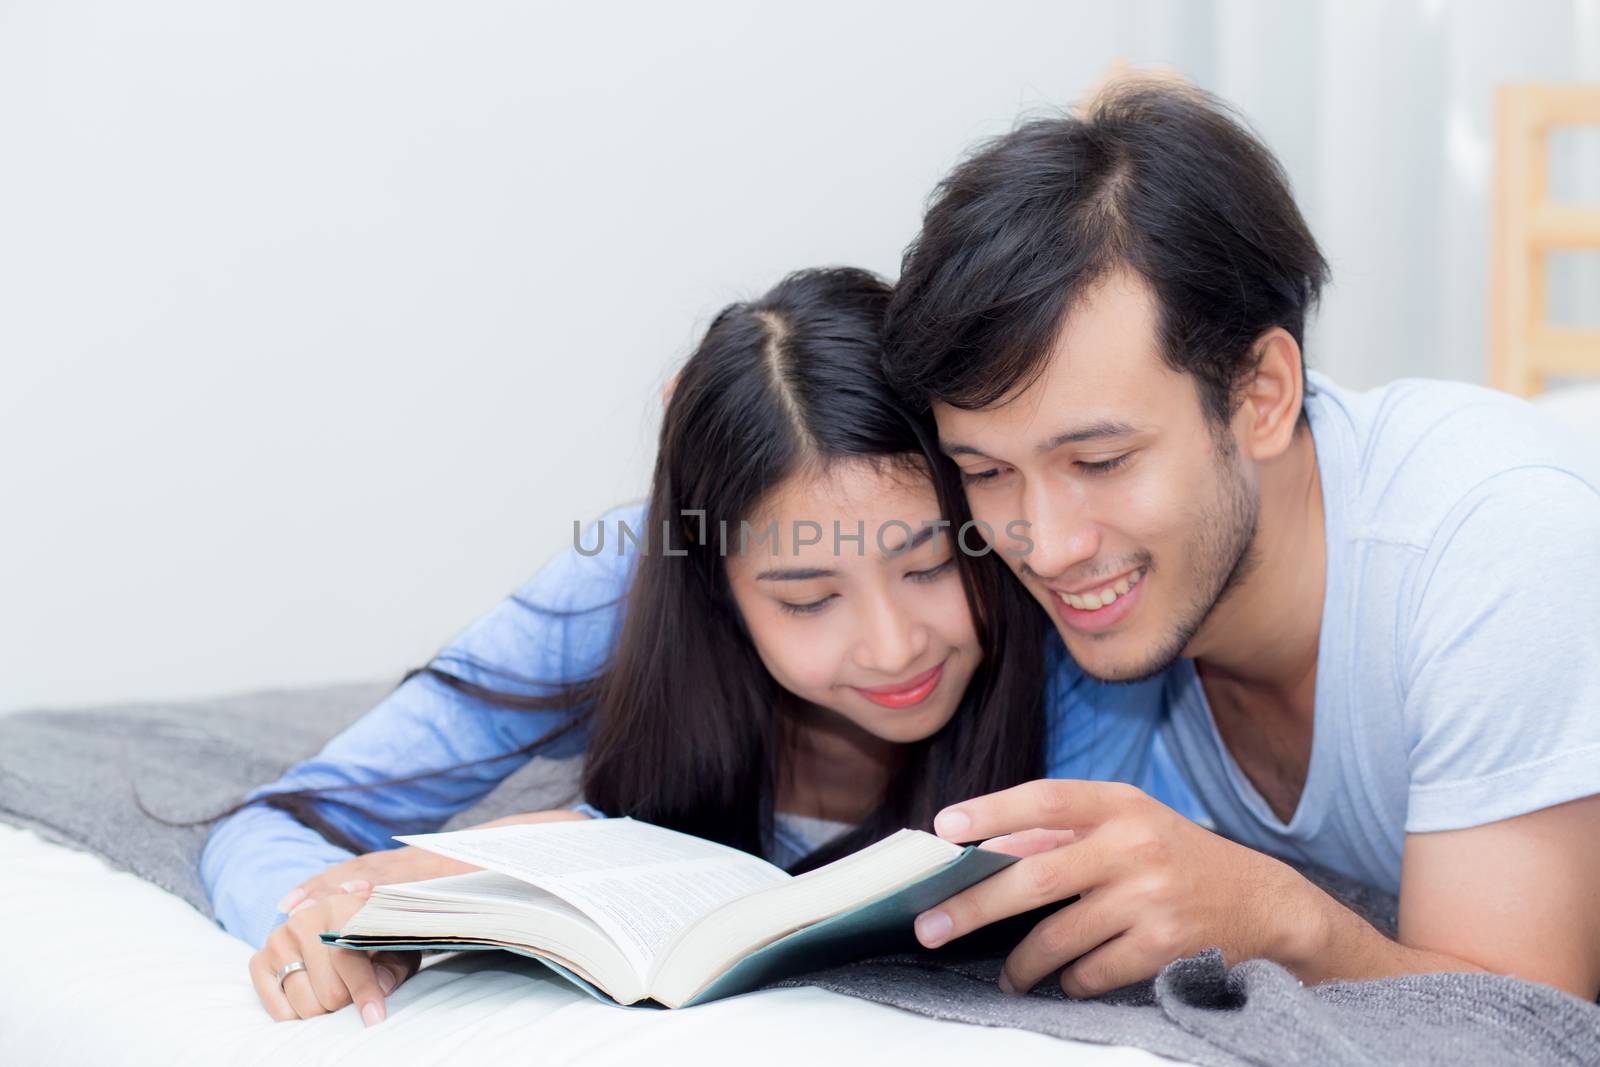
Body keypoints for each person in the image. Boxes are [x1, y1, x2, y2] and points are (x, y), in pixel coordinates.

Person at [200, 267, 1206, 1025]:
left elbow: (1089, 900)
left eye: (931, 564)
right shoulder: (621, 585)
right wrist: (331, 917)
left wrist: (578, 836)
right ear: (715, 591)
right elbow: (273, 828)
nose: (896, 645)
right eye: (808, 596)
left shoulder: (1061, 620)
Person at [881, 78, 1600, 1001]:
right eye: (985, 471)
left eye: (1100, 460)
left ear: (1262, 396)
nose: (1047, 547)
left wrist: (1279, 914)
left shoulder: (1496, 544)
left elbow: (1532, 1025)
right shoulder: (1056, 600)